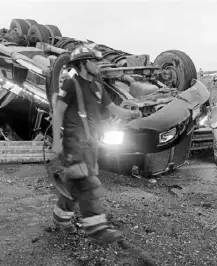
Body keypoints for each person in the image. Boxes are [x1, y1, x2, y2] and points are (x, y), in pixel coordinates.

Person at [51, 45, 142, 245]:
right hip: (74, 144)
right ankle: (97, 228)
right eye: (95, 61)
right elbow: (58, 112)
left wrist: (132, 113)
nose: (98, 65)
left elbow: (113, 109)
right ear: (83, 63)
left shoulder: (98, 87)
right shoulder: (70, 84)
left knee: (73, 185)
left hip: (90, 144)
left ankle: (60, 219)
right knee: (88, 185)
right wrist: (57, 142)